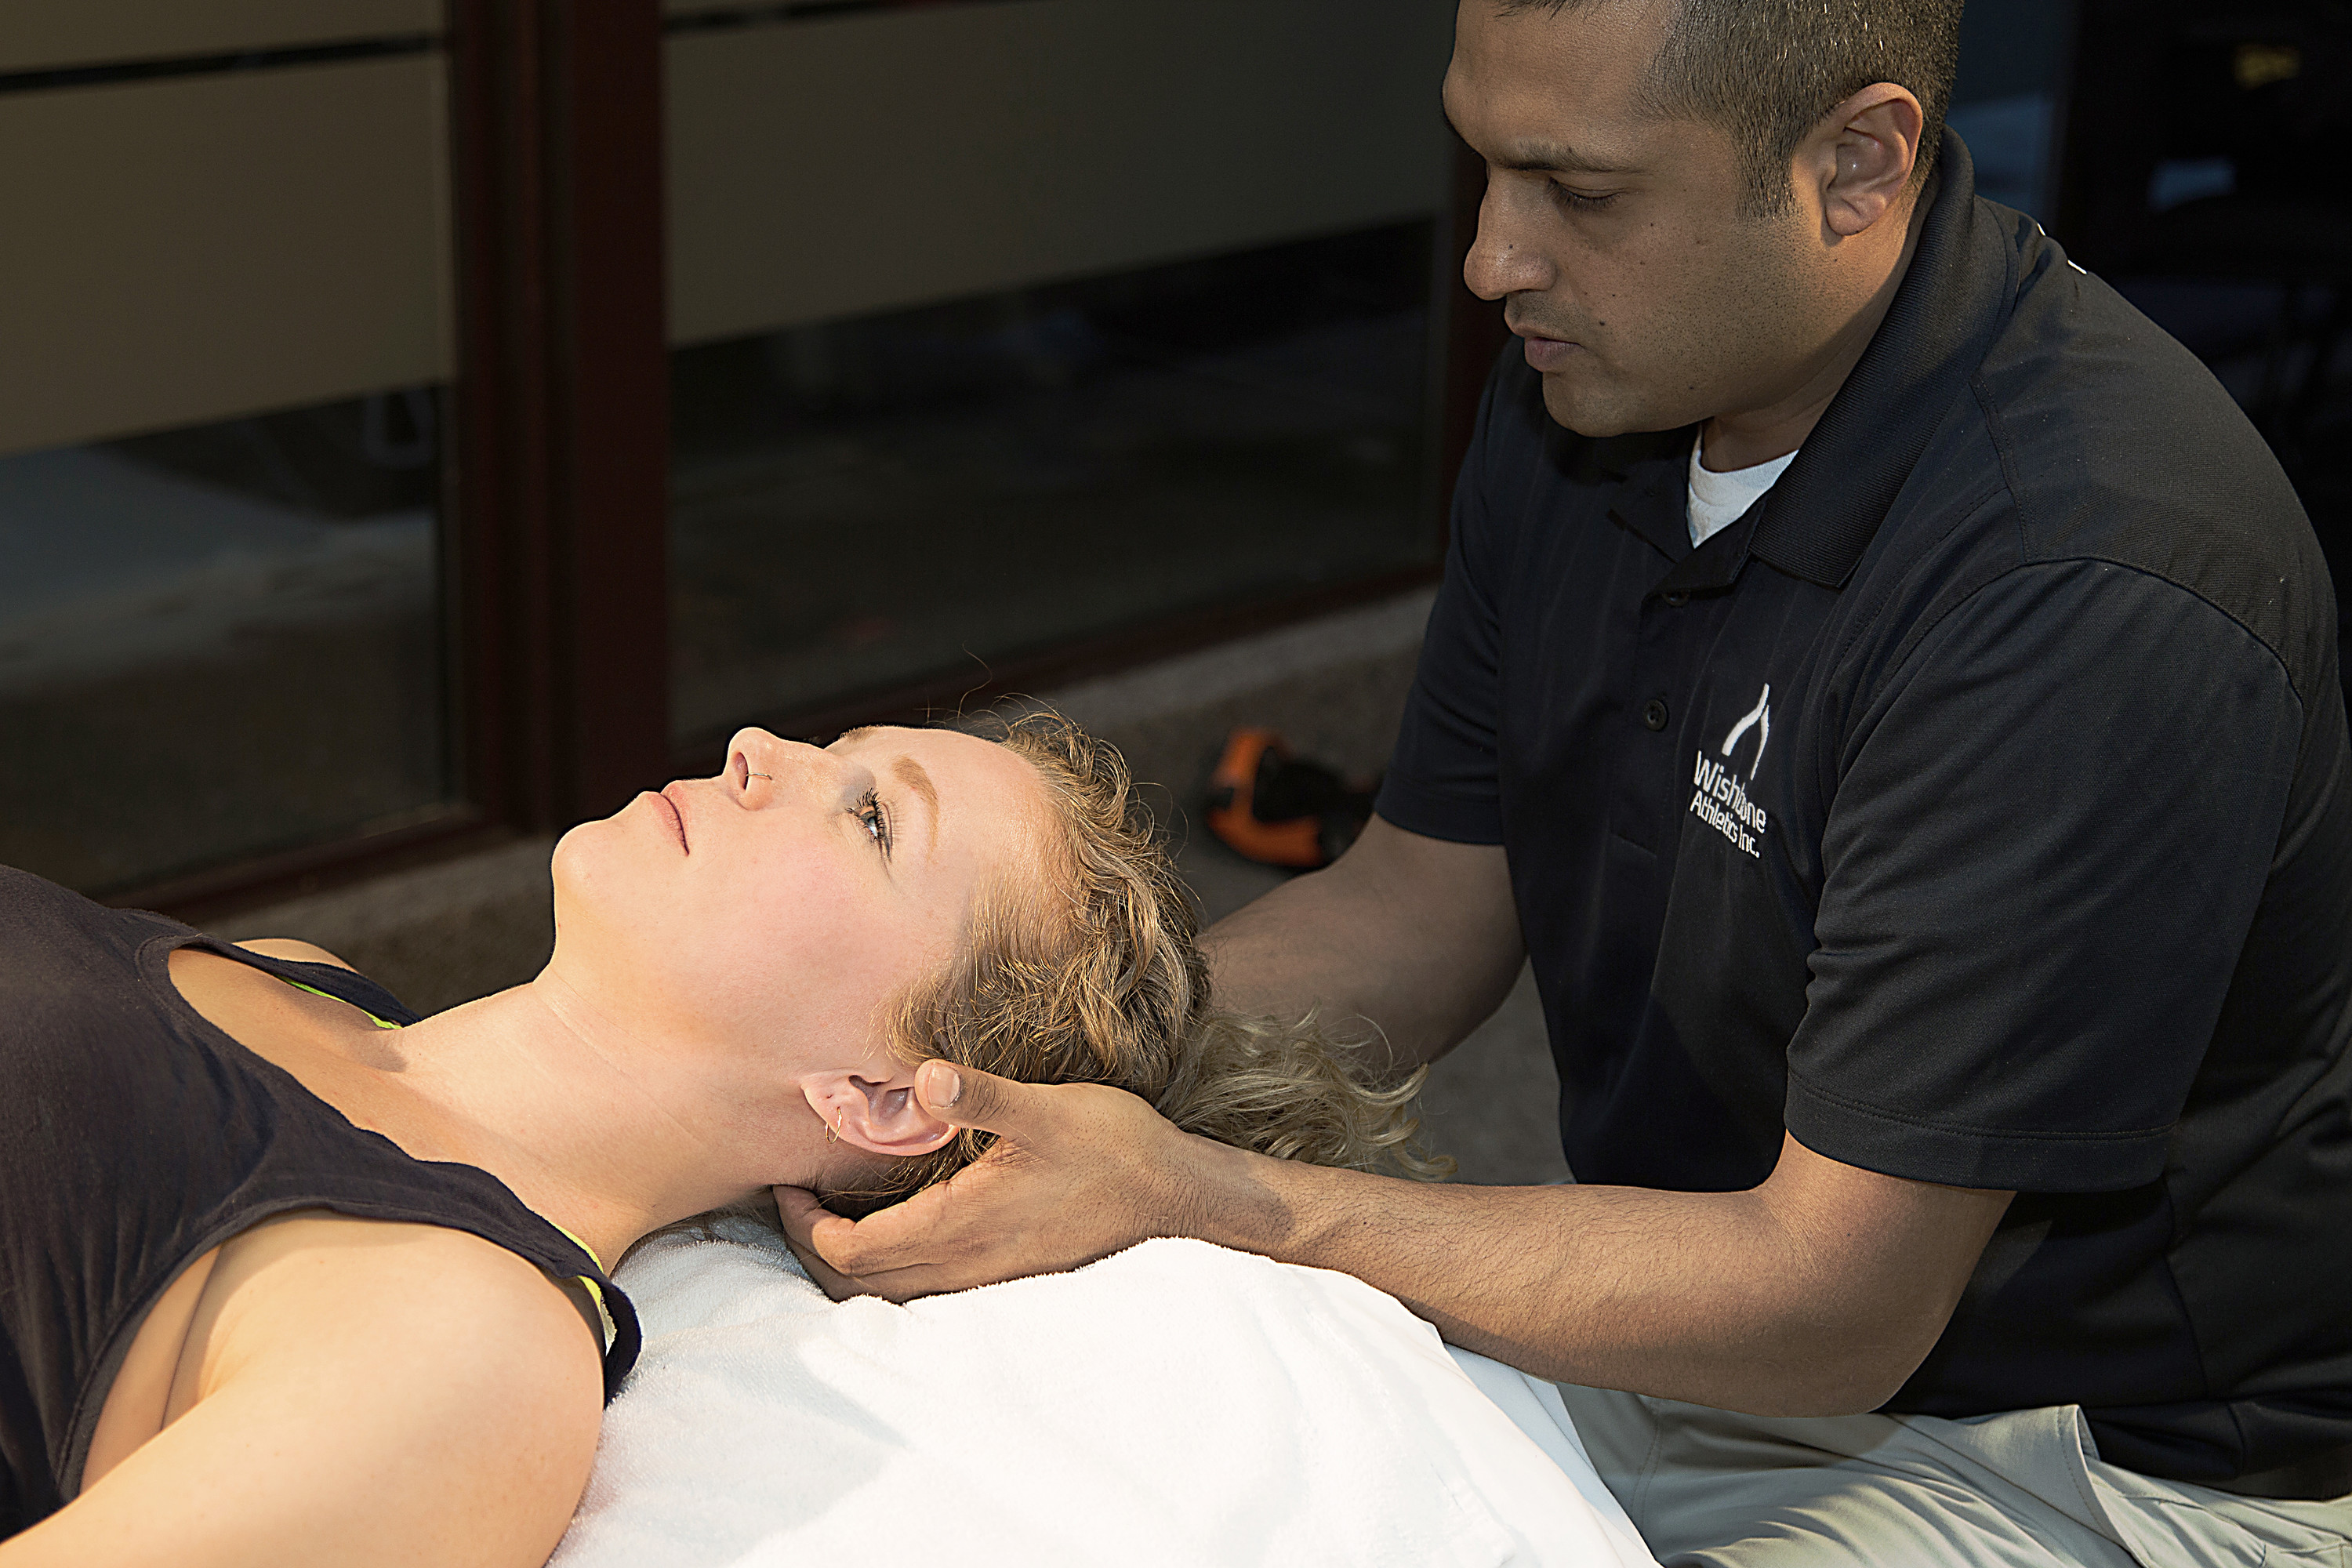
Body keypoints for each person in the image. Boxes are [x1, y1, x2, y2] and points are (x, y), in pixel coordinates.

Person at [776, 2, 2352, 1563]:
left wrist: (1205, 1194)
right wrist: (991, 1073)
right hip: (1710, 1317)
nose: (1490, 259)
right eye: (1483, 167)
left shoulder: (2085, 580)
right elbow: (1419, 908)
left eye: (1579, 193)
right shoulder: (1596, 388)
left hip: (2096, 1460)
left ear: (1858, 164)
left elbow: (1836, 1303)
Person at [0, 713, 1440, 1566]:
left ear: (883, 1097)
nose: (758, 747)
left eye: (871, 817)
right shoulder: (292, 974)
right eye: (832, 752)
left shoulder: (470, 1351)